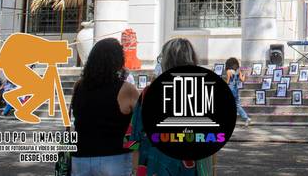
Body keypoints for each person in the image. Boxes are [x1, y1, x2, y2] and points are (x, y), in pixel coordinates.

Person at [126, 38, 213, 175]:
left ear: (166, 61)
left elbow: (134, 138)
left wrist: (135, 170)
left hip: (155, 167)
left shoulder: (148, 94)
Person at [71, 38, 139, 176]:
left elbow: (75, 120)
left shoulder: (78, 86)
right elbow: (140, 124)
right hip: (115, 157)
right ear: (118, 61)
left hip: (81, 157)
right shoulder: (127, 89)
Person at [225, 57, 251, 127]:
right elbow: (242, 80)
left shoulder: (228, 71)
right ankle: (246, 118)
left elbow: (227, 82)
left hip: (230, 89)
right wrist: (244, 74)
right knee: (238, 106)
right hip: (236, 90)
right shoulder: (238, 72)